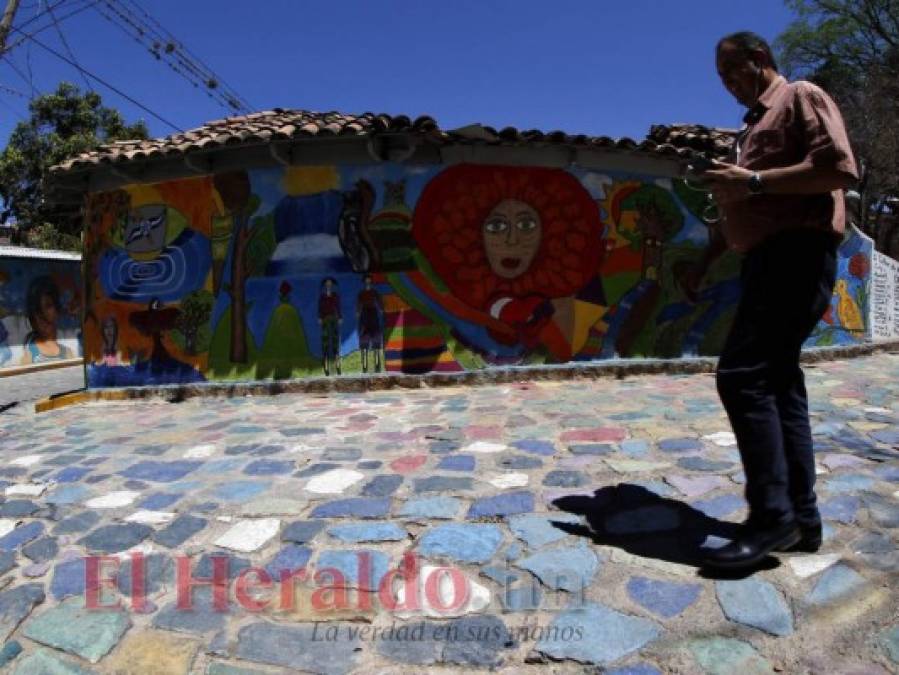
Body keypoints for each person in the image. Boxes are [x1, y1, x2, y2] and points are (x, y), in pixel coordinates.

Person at [683, 31, 858, 569]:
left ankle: (772, 518)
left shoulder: (800, 96)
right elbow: (745, 200)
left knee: (742, 376)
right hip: (767, 259)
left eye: (734, 72)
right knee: (779, 386)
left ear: (759, 61)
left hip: (798, 254)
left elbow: (839, 169)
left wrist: (754, 181)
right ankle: (801, 520)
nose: (730, 85)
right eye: (722, 79)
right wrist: (706, 259)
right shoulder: (750, 128)